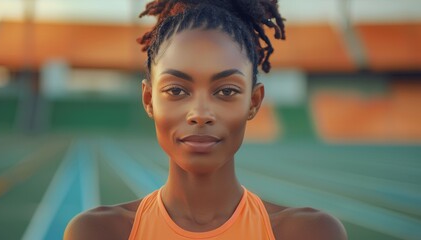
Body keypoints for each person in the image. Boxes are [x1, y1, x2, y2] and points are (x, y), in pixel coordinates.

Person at [64, 0, 347, 239]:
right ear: (149, 99)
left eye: (226, 91)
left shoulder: (311, 233)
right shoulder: (98, 232)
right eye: (176, 90)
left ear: (253, 101)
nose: (199, 114)